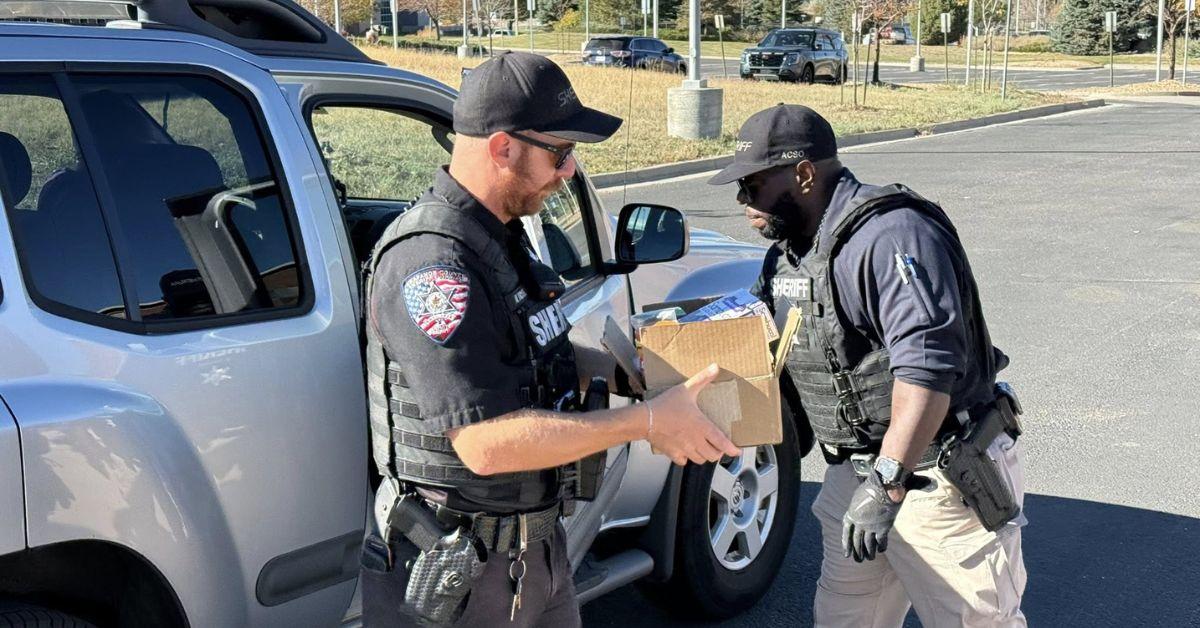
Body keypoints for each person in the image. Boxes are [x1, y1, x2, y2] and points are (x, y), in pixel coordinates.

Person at [360, 51, 740, 628]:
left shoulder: (503, 240)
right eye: (560, 152)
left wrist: (631, 371)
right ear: (502, 147)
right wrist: (649, 422)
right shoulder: (432, 265)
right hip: (456, 576)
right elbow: (484, 444)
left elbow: (541, 352)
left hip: (536, 551)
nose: (569, 170)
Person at [708, 104, 1027, 627]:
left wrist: (887, 485)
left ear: (804, 173)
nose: (744, 202)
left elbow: (928, 369)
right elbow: (768, 352)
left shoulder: (892, 236)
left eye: (754, 185)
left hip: (935, 482)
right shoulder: (792, 256)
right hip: (856, 477)